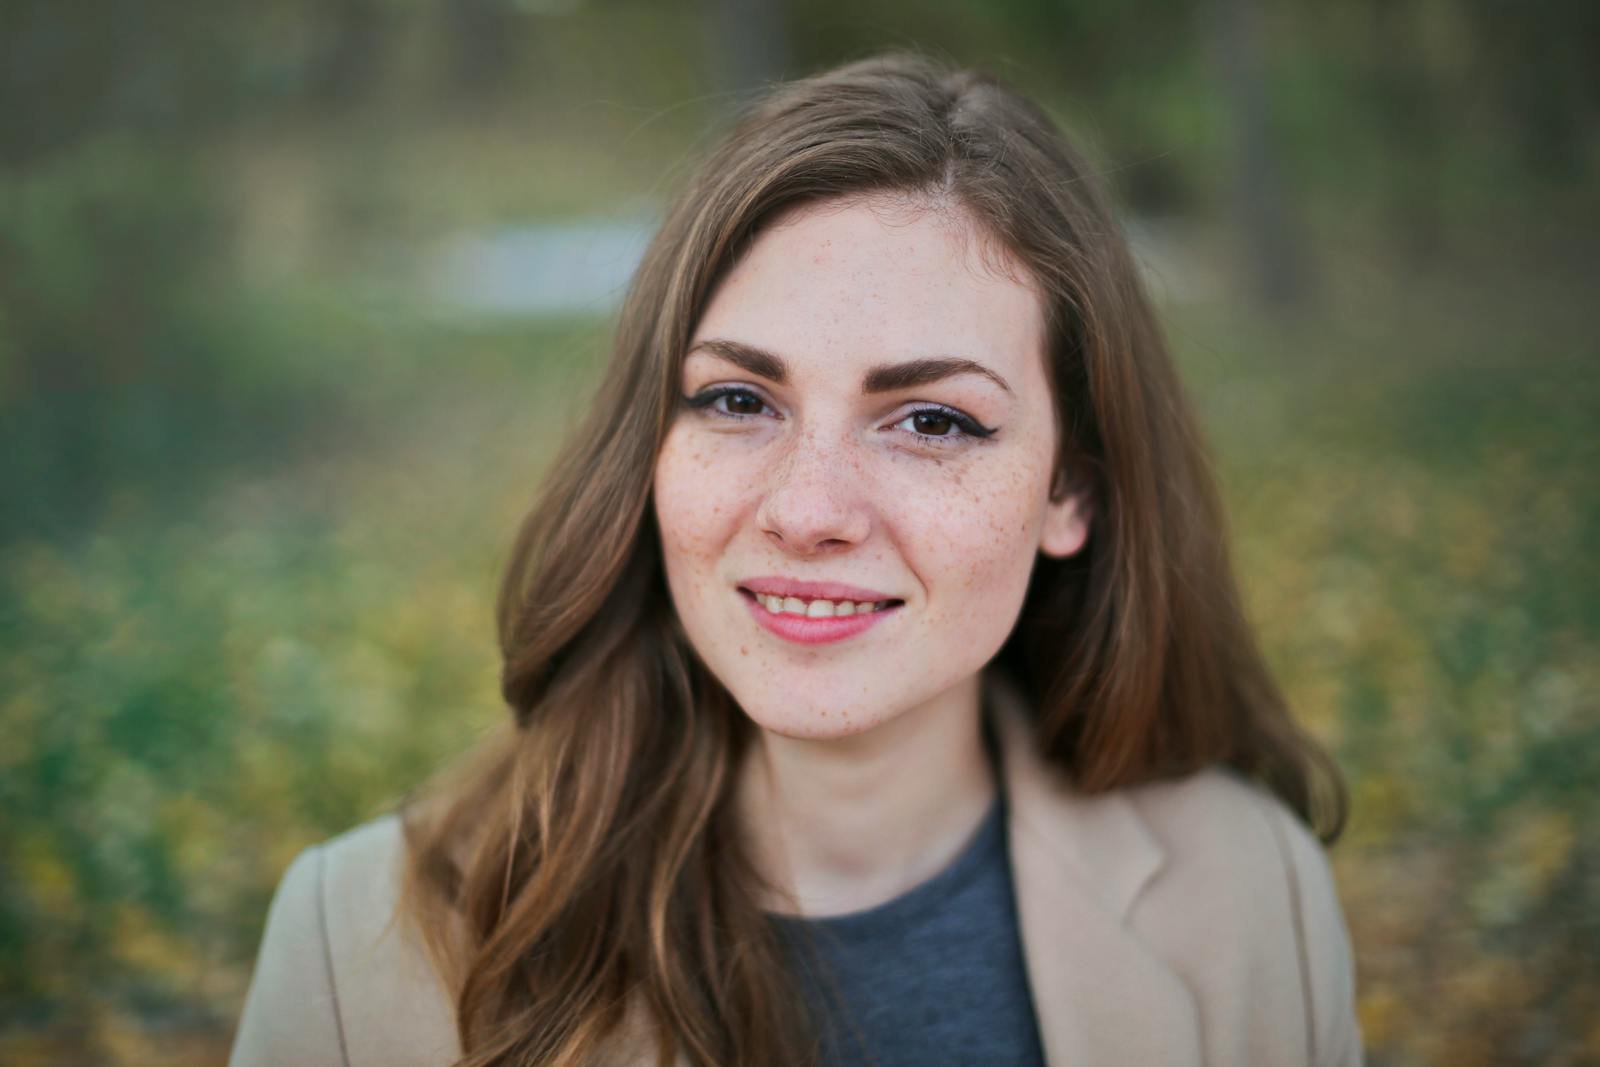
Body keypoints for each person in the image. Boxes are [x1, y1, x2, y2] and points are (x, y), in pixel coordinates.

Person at [229, 52, 1362, 1067]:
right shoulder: (357, 946)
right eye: (736, 399)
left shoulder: (1252, 894)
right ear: (651, 447)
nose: (808, 509)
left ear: (1071, 488)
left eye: (931, 420)